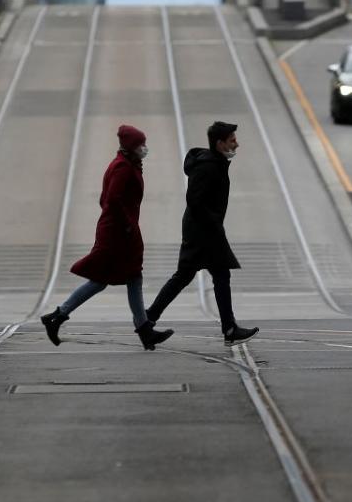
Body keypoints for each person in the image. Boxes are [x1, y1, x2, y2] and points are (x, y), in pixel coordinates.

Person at [41, 125, 174, 350]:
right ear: (132, 147)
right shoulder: (122, 167)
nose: (144, 148)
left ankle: (144, 330)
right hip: (118, 234)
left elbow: (105, 199)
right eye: (141, 145)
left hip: (119, 230)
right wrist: (127, 225)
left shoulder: (124, 163)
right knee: (104, 279)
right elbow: (112, 199)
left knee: (130, 277)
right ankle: (58, 316)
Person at [146, 121, 258, 347]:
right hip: (202, 232)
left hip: (204, 229)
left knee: (202, 276)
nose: (237, 143)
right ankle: (228, 328)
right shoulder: (208, 166)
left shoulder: (215, 162)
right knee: (198, 276)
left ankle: (148, 320)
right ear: (220, 143)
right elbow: (194, 200)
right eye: (232, 140)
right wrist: (214, 223)